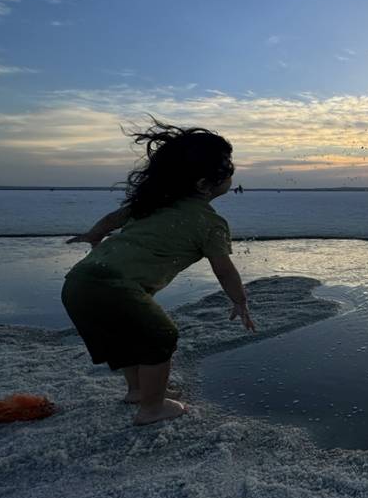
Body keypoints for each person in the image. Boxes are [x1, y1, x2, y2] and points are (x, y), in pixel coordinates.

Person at [62, 120, 255, 425]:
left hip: (77, 282)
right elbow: (224, 269)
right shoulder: (210, 223)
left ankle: (138, 390)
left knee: (128, 336)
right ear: (204, 185)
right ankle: (152, 408)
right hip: (114, 286)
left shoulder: (150, 204)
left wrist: (94, 235)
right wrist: (240, 300)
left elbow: (114, 218)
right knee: (160, 336)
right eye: (228, 170)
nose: (232, 174)